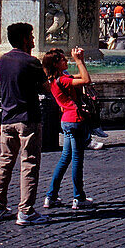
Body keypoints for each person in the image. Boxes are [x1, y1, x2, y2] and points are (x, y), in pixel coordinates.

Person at [0, 23, 47, 225]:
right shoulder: (31, 62)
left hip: (6, 119)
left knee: (5, 163)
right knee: (29, 163)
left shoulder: (3, 60)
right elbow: (45, 87)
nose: (33, 39)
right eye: (31, 36)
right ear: (24, 39)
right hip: (27, 119)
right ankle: (26, 211)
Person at [43, 46, 95, 211]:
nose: (67, 61)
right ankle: (78, 197)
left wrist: (81, 62)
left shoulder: (55, 79)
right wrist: (79, 61)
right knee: (77, 161)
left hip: (66, 121)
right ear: (57, 64)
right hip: (75, 120)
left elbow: (82, 76)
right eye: (63, 60)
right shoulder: (63, 80)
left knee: (65, 158)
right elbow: (87, 80)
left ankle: (51, 196)